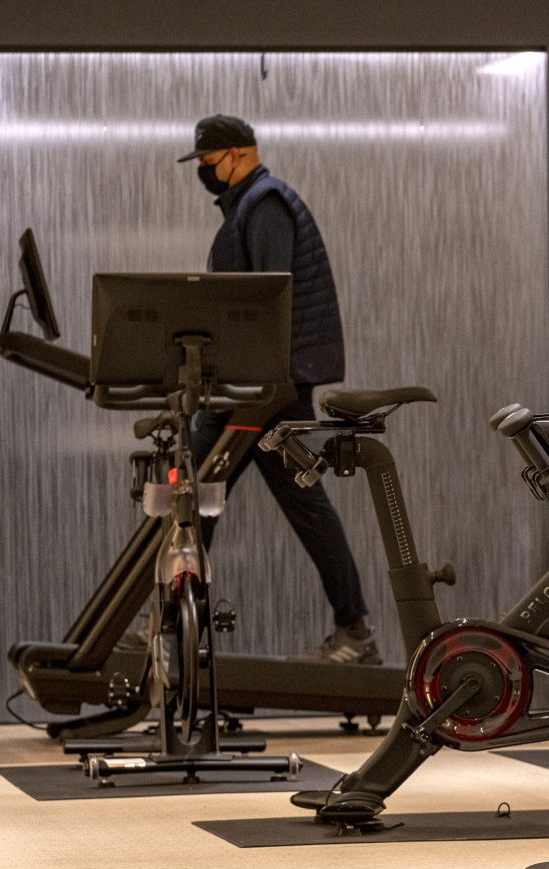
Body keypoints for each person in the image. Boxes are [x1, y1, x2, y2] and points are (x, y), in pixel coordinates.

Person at [178, 113, 378, 665]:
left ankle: (171, 631)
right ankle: (354, 630)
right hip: (256, 386)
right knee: (214, 500)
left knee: (191, 496)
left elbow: (269, 299)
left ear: (239, 155)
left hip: (266, 389)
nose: (204, 172)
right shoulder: (250, 205)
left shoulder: (264, 203)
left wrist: (238, 382)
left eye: (208, 162)